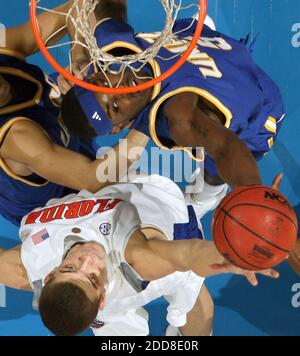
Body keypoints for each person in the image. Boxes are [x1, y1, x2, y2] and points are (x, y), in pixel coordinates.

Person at [58, 0, 300, 274]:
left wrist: (78, 51)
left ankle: (205, 193)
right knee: (213, 168)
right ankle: (206, 196)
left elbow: (105, 6)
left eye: (104, 81)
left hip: (218, 58)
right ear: (120, 126)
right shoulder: (181, 119)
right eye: (114, 107)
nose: (120, 90)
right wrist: (258, 202)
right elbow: (225, 147)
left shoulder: (115, 47)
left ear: (97, 70)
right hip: (253, 109)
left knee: (213, 162)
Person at [0, 173, 278, 336]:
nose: (87, 260)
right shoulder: (138, 261)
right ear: (102, 298)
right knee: (189, 286)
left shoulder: (26, 265)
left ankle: (202, 197)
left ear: (49, 274)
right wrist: (237, 254)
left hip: (154, 196)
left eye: (70, 268)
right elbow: (190, 254)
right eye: (92, 278)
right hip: (164, 241)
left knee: (189, 302)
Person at [0, 0, 148, 225]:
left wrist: (79, 55)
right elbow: (92, 178)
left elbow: (79, 7)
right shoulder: (16, 136)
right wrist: (148, 120)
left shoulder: (3, 46)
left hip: (60, 130)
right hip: (51, 215)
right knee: (136, 228)